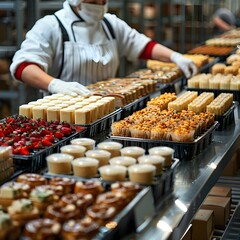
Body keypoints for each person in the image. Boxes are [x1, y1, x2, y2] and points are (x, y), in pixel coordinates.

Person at [10, 0, 197, 97]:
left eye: (103, 1)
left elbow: (142, 46)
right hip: (62, 118)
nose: (100, 5)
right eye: (94, 1)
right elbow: (23, 67)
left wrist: (174, 56)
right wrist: (56, 85)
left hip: (107, 111)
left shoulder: (109, 24)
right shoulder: (51, 25)